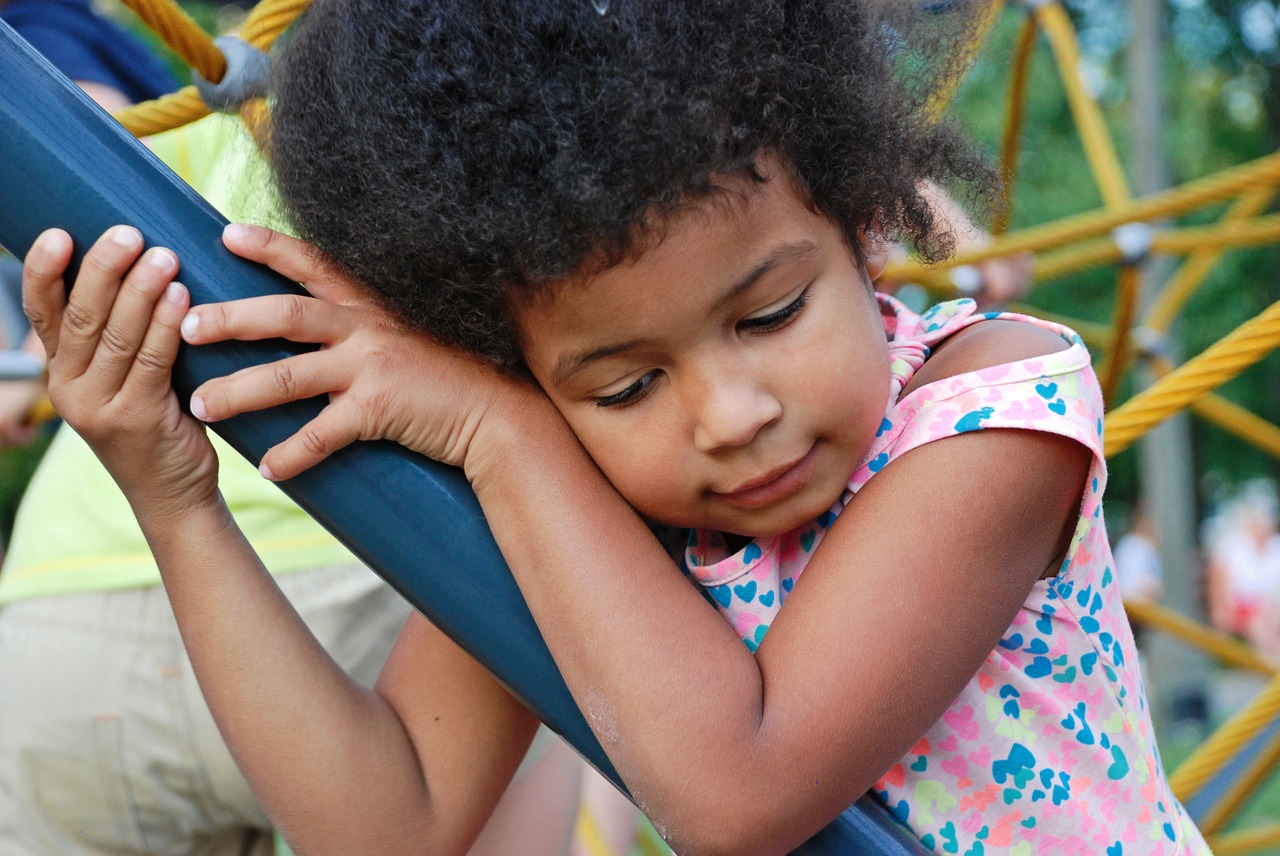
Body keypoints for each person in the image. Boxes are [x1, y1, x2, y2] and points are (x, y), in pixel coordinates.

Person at [21, 1, 1210, 853]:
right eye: (622, 385)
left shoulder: (993, 409)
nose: (730, 417)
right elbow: (385, 820)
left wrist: (509, 433)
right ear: (522, 363)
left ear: (857, 217)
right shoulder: (600, 497)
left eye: (772, 312)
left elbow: (739, 792)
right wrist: (176, 505)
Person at [0, 7, 581, 854]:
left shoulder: (219, 130)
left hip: (62, 611)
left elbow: (88, 231)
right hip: (368, 580)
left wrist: (34, 358)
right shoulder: (516, 141)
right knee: (556, 694)